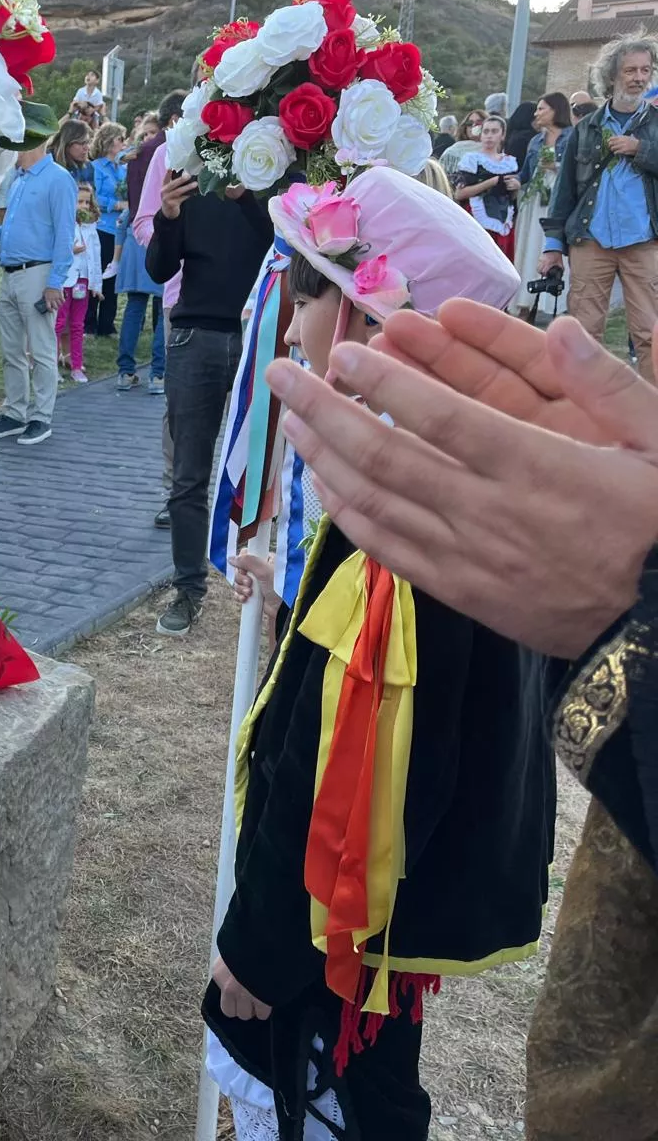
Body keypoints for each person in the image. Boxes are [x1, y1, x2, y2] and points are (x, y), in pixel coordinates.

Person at [206, 167, 550, 1141]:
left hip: (330, 938)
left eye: (305, 296)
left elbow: (349, 766)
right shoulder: (452, 486)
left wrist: (260, 948)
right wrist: (290, 585)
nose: (284, 329)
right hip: (373, 928)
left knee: (344, 1099)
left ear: (369, 324)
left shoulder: (403, 532)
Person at [145, 144, 274, 637]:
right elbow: (160, 269)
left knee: (264, 472)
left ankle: (264, 578)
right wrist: (169, 215)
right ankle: (188, 588)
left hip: (259, 334)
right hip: (194, 336)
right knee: (189, 473)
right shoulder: (190, 181)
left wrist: (245, 197)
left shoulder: (273, 176)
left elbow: (278, 247)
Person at [541, 32, 658, 380]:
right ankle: (584, 409)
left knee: (651, 335)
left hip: (644, 241)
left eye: (645, 70)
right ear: (611, 76)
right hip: (590, 241)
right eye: (630, 70)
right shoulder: (586, 128)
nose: (639, 78)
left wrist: (642, 150)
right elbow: (564, 192)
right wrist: (551, 247)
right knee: (584, 335)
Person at [0, 137, 78, 448]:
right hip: (11, 273)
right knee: (12, 349)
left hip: (38, 274)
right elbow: (26, 229)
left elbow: (65, 234)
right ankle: (15, 411)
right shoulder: (19, 179)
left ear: (31, 145)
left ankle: (41, 416)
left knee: (42, 349)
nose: (8, 152)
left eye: (13, 145)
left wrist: (55, 282)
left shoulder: (59, 180)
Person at [119, 93, 178, 394]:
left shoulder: (136, 153)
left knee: (136, 304)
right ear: (175, 119)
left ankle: (125, 369)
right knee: (157, 306)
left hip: (138, 235)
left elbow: (135, 207)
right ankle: (157, 373)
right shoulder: (162, 152)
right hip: (158, 237)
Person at [513, 92, 573, 316]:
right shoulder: (535, 140)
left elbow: (575, 173)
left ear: (556, 110)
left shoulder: (571, 136)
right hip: (535, 200)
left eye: (542, 108)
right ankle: (526, 299)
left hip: (558, 198)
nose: (537, 113)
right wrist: (516, 180)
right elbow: (526, 173)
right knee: (530, 245)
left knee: (551, 245)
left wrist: (555, 166)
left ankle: (555, 303)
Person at [452, 115, 520, 258]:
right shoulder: (472, 159)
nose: (489, 136)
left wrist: (516, 187)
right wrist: (491, 182)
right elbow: (459, 194)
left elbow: (511, 198)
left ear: (503, 135)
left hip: (504, 220)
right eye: (486, 131)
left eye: (494, 131)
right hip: (477, 217)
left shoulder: (510, 162)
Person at [55, 183, 101, 383]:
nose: (83, 206)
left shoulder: (90, 226)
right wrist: (70, 251)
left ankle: (76, 366)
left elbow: (95, 255)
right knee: (57, 324)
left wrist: (96, 285)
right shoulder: (62, 223)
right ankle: (52, 367)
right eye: (79, 201)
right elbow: (54, 250)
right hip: (65, 280)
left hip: (82, 280)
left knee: (77, 325)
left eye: (86, 202)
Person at [89, 122, 129, 338]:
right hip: (102, 226)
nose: (123, 143)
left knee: (113, 277)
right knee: (97, 272)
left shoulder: (122, 168)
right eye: (120, 139)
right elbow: (92, 196)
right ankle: (89, 321)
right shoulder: (96, 167)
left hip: (119, 229)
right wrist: (116, 205)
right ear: (108, 141)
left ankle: (107, 322)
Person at [439, 109, 486, 177]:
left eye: (479, 123)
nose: (474, 126)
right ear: (465, 127)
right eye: (470, 123)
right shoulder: (452, 151)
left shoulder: (495, 150)